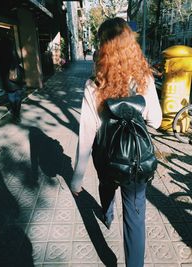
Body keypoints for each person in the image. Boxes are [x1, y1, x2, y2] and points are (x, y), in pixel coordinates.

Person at [70, 17, 162, 267]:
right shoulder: (145, 79)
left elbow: (87, 134)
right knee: (135, 219)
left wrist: (77, 179)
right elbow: (156, 120)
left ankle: (108, 214)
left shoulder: (94, 85)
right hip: (135, 161)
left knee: (106, 185)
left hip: (107, 157)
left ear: (103, 47)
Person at [0, 36, 24, 122]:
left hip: (6, 77)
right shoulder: (12, 50)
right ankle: (17, 114)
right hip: (16, 76)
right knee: (18, 95)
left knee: (11, 95)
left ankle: (15, 113)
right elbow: (19, 61)